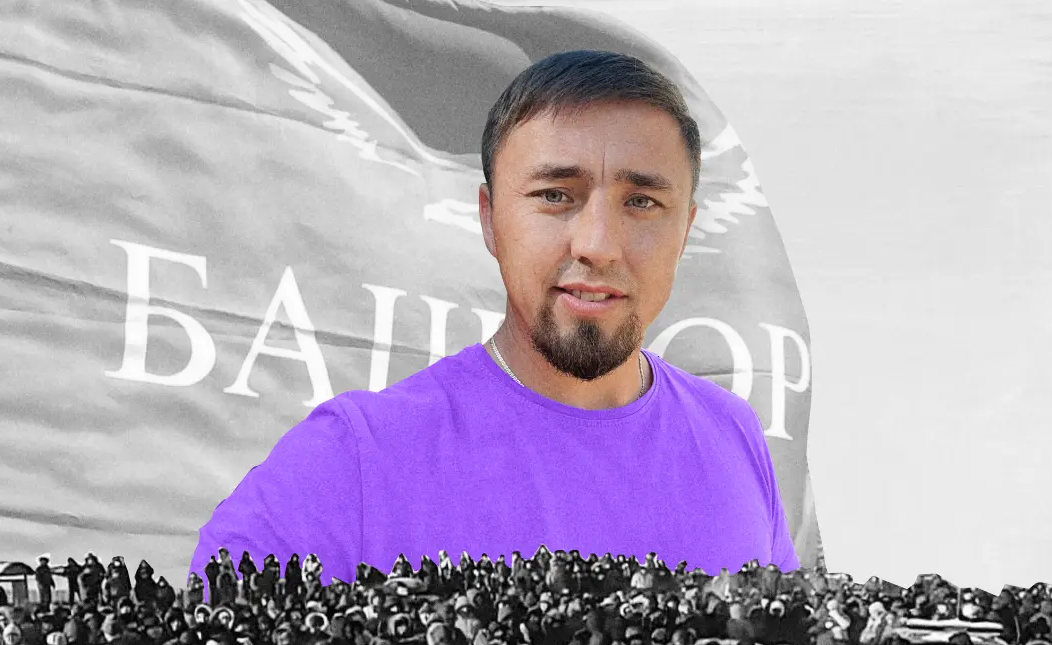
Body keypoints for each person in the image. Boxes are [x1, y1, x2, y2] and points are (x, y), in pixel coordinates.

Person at [187, 48, 800, 587]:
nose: (598, 244)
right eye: (555, 195)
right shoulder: (351, 460)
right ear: (489, 219)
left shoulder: (732, 437)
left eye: (642, 202)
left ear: (685, 229)